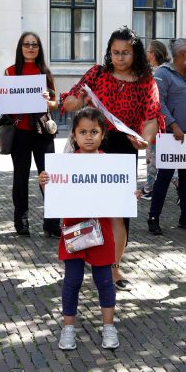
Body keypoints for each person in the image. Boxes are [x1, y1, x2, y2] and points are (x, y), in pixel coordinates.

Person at [62, 27, 162, 291]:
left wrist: (145, 139)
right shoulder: (97, 73)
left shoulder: (146, 81)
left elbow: (151, 117)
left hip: (123, 148)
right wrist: (75, 100)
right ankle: (82, 254)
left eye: (125, 53)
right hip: (91, 144)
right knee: (84, 204)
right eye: (115, 52)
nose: (119, 57)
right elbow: (71, 100)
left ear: (136, 53)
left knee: (118, 211)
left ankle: (114, 268)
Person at [39, 108, 119, 350]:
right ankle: (68, 329)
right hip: (74, 232)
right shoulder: (64, 165)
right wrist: (45, 184)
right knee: (71, 281)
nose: (88, 137)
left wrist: (129, 193)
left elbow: (118, 194)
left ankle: (109, 328)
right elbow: (53, 197)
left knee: (105, 281)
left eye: (94, 131)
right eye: (82, 132)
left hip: (102, 232)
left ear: (102, 134)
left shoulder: (109, 163)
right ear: (74, 134)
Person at [0, 32, 60, 237]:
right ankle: (21, 221)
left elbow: (55, 104)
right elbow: (2, 100)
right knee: (20, 178)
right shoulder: (10, 72)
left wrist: (48, 100)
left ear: (39, 49)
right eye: (26, 44)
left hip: (42, 132)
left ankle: (52, 222)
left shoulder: (45, 72)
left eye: (34, 45)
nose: (30, 48)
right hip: (20, 132)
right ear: (20, 48)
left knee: (48, 176)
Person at [148, 38, 186, 235]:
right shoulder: (163, 73)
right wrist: (173, 125)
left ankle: (184, 217)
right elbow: (158, 103)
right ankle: (153, 218)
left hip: (185, 137)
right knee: (164, 178)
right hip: (172, 136)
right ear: (182, 55)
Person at [142, 41, 178, 201]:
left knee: (156, 159)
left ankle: (151, 188)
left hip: (155, 123)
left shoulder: (156, 74)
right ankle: (149, 187)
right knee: (161, 159)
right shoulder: (166, 72)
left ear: (154, 53)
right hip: (161, 123)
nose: (146, 53)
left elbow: (154, 101)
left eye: (148, 51)